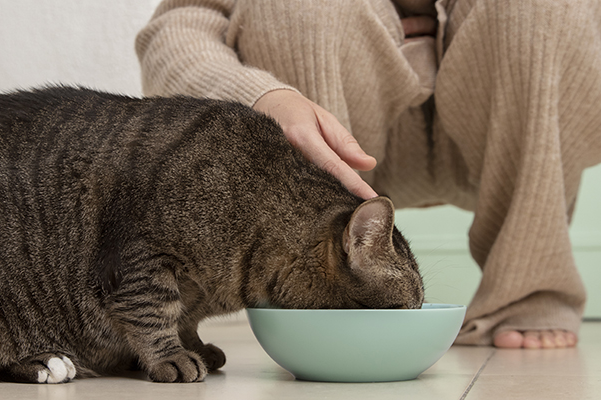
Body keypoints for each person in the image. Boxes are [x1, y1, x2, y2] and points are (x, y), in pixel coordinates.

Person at [135, 0, 601, 348]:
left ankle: (529, 286)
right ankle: (316, 288)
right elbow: (177, 29)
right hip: (323, 132)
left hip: (513, 125)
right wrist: (261, 97)